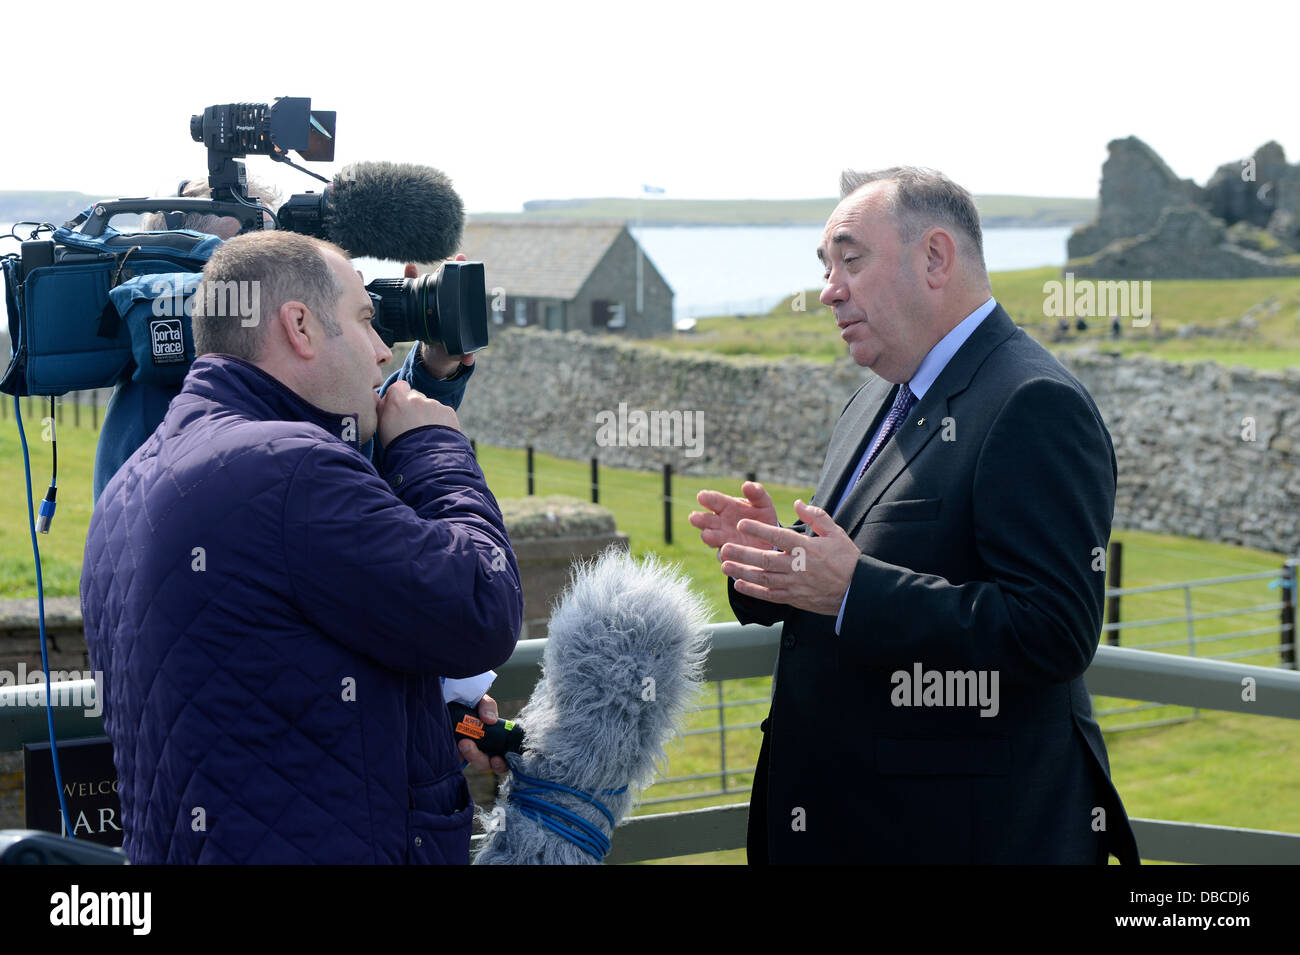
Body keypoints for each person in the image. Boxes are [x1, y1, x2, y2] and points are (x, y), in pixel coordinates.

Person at [691, 167, 1139, 865]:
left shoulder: (1033, 402)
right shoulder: (874, 398)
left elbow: (1053, 631)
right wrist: (778, 565)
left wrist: (852, 591)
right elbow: (863, 559)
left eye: (850, 259)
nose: (828, 289)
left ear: (934, 257)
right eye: (825, 266)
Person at [81, 231, 522, 863]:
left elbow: (265, 681)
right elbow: (481, 605)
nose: (379, 352)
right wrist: (433, 447)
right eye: (367, 320)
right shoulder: (291, 470)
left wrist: (413, 718)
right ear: (301, 328)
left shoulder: (132, 483)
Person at [93, 176, 476, 501]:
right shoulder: (162, 408)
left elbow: (364, 443)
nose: (271, 268)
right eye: (243, 253)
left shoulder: (249, 384)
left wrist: (432, 367)